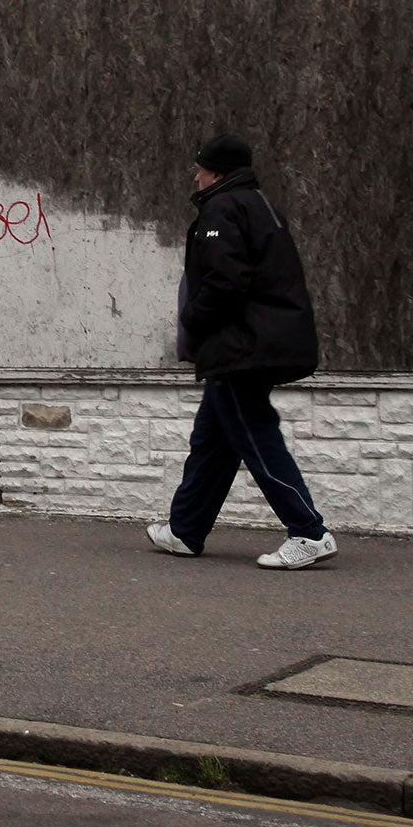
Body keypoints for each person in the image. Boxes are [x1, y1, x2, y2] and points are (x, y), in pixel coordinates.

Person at [147, 135, 337, 570]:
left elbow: (225, 280)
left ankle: (309, 532)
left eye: (200, 168)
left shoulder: (223, 208)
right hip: (254, 342)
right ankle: (185, 530)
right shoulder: (257, 204)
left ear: (218, 171)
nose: (195, 175)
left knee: (255, 437)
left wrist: (192, 317)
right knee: (212, 441)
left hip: (242, 346)